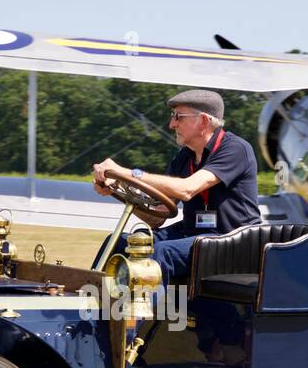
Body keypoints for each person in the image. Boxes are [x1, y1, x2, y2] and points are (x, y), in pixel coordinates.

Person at [91, 89, 260, 283]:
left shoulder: (235, 149)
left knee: (160, 254)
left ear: (203, 120)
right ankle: (93, 305)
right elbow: (157, 217)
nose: (172, 124)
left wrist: (127, 173)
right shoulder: (184, 157)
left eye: (178, 117)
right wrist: (117, 189)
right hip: (196, 235)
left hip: (234, 242)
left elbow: (187, 189)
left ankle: (142, 312)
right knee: (121, 243)